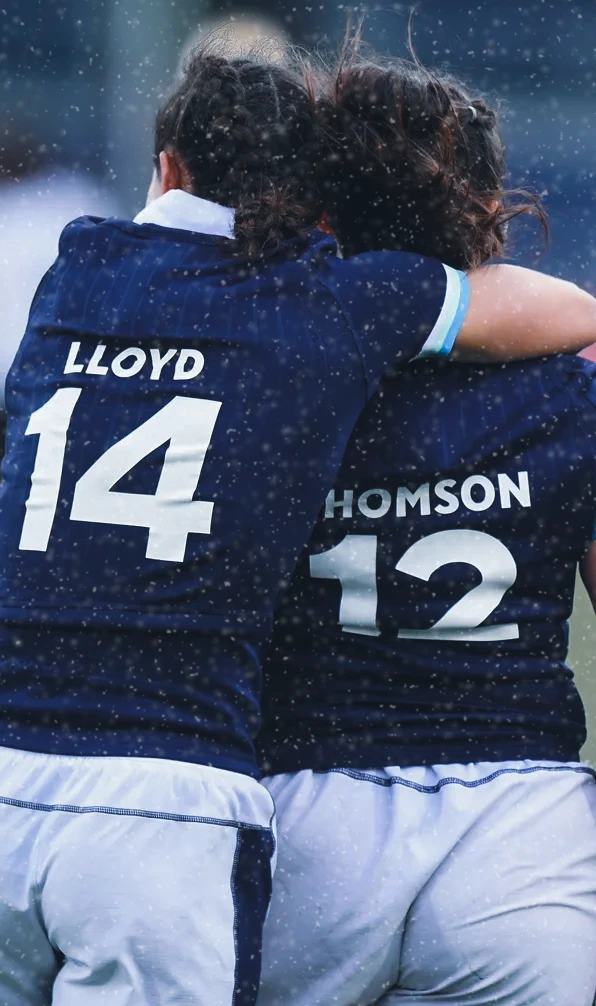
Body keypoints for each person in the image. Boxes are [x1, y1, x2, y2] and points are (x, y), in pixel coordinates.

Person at [0, 41, 595, 1006]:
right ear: (491, 209)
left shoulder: (132, 288)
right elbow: (561, 313)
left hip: (270, 811)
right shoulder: (353, 319)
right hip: (492, 819)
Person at [257, 50, 596, 1006]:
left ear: (318, 210)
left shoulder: (265, 379)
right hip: (521, 826)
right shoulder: (571, 389)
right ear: (488, 210)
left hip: (302, 820)